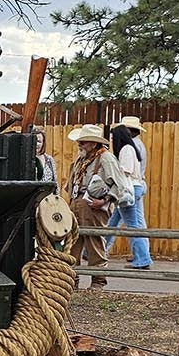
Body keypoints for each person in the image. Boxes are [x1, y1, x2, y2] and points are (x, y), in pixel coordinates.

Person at [66, 124, 129, 289]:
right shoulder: (81, 158)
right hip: (77, 203)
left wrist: (104, 201)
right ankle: (72, 280)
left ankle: (98, 283)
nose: (79, 144)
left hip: (94, 207)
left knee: (95, 244)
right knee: (73, 244)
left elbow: (120, 185)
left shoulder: (106, 158)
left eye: (83, 142)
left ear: (94, 143)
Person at [105, 123, 152, 269]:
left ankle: (142, 258)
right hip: (133, 188)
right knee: (113, 221)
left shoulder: (126, 149)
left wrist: (113, 171)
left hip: (128, 189)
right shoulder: (133, 147)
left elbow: (126, 170)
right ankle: (99, 249)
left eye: (113, 137)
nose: (112, 139)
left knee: (133, 225)